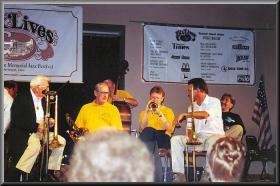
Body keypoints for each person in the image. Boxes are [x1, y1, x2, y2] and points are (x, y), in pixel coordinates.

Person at [7, 75, 66, 182]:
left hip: (42, 132)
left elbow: (45, 118)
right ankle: (23, 172)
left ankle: (51, 171)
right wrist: (36, 126)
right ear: (36, 87)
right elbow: (16, 119)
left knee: (61, 141)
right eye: (46, 87)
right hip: (26, 133)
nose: (48, 90)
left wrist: (50, 121)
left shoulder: (44, 100)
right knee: (35, 146)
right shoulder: (22, 98)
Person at [171, 78, 225, 182]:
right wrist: (189, 134)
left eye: (189, 90)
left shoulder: (214, 101)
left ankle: (207, 174)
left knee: (212, 140)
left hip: (215, 137)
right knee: (175, 140)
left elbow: (204, 114)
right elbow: (191, 129)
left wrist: (185, 115)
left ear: (198, 90)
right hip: (199, 139)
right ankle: (179, 176)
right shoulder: (191, 107)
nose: (187, 93)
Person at [66, 128, 155, 182]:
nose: (105, 95)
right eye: (102, 94)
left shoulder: (113, 109)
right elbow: (77, 128)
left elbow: (117, 131)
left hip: (105, 144)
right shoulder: (85, 108)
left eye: (106, 94)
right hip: (89, 143)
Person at [138, 86, 175, 182]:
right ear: (149, 98)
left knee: (149, 131)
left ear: (162, 99)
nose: (155, 100)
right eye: (153, 97)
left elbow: (169, 128)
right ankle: (156, 178)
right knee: (149, 134)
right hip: (149, 138)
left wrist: (160, 113)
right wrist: (146, 111)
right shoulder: (143, 112)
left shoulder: (168, 111)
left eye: (158, 98)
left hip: (163, 137)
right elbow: (141, 128)